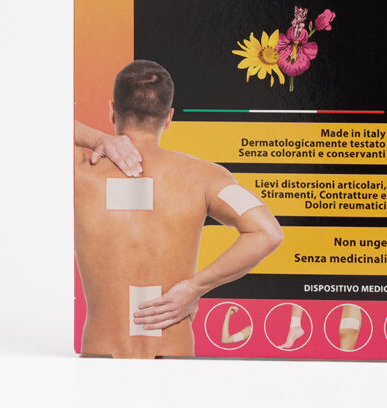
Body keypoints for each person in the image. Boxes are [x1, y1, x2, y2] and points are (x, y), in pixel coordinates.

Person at [74, 60, 283, 358]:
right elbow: (268, 233)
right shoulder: (205, 177)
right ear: (169, 117)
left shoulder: (81, 171)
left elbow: (35, 122)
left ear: (112, 110)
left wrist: (98, 139)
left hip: (101, 359)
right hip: (172, 361)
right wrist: (194, 288)